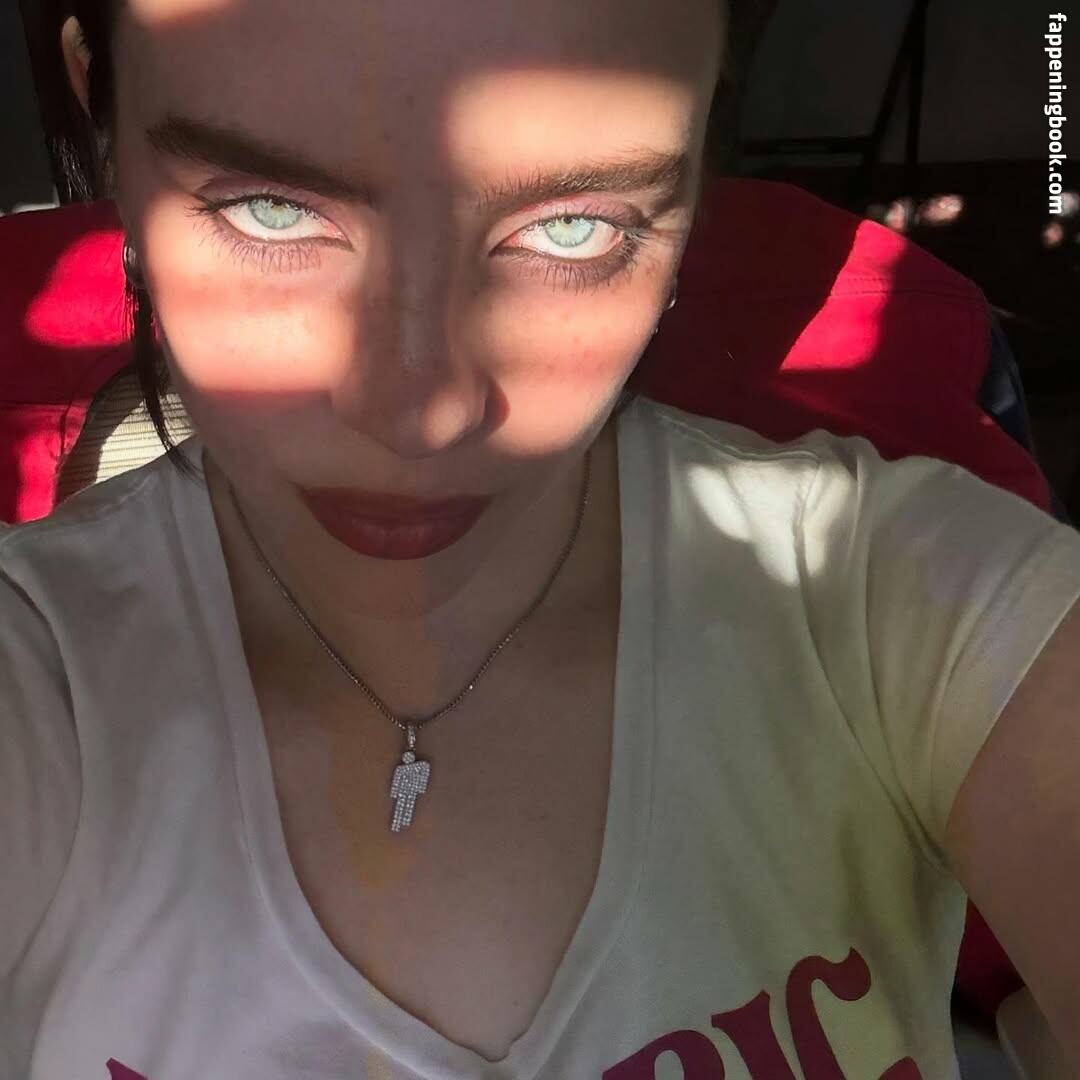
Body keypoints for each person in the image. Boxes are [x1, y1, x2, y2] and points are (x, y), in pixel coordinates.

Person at [3, 0, 1080, 1076]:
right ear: (105, 118)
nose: (418, 417)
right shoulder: (38, 685)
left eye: (575, 227)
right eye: (270, 209)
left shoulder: (889, 600)